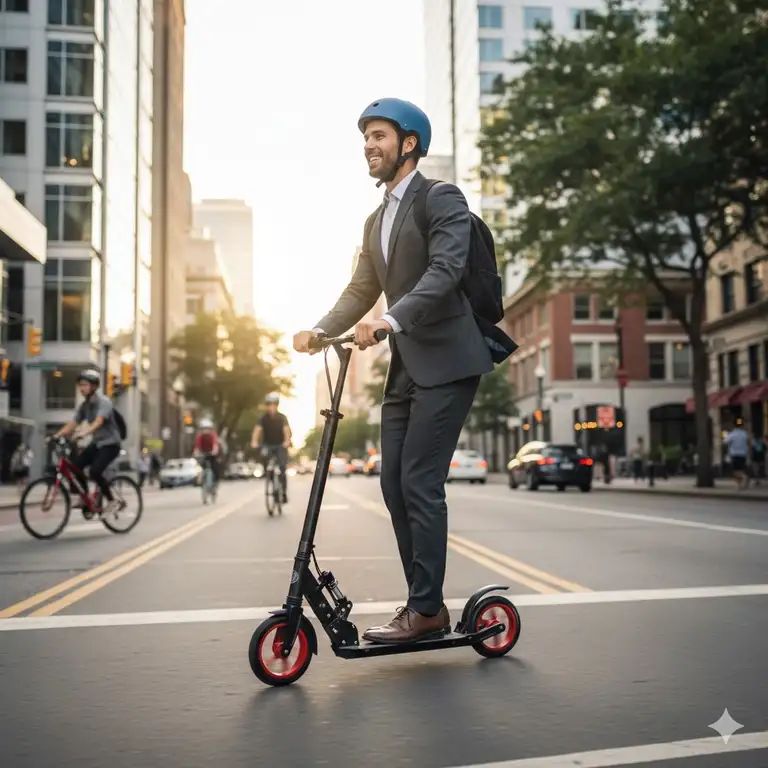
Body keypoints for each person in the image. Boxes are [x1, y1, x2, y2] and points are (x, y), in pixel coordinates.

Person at [293, 98, 497, 645]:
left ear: (409, 143)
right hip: (408, 365)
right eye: (365, 137)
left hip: (450, 359)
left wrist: (389, 319)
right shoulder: (375, 219)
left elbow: (448, 268)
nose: (368, 145)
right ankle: (422, 604)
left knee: (420, 482)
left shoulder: (440, 198)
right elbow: (361, 288)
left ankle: (426, 609)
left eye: (379, 135)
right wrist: (319, 329)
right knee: (392, 482)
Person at [53, 369, 122, 516]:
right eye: (80, 385)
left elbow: (98, 421)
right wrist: (56, 435)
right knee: (76, 466)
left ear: (94, 386)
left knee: (95, 471)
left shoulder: (104, 402)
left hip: (111, 445)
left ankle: (112, 500)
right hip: (97, 444)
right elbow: (73, 423)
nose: (81, 388)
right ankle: (85, 498)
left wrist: (85, 432)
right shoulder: (84, 406)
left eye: (85, 385)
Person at [251, 393, 291, 502]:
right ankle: (272, 480)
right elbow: (257, 430)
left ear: (277, 405)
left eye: (273, 404)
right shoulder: (263, 418)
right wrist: (254, 441)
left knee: (282, 468)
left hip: (280, 445)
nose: (271, 407)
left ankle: (283, 492)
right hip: (267, 444)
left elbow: (286, 430)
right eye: (269, 404)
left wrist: (287, 441)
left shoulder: (282, 418)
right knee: (267, 463)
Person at [193, 418, 221, 487]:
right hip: (203, 454)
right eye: (204, 429)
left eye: (207, 428)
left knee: (215, 467)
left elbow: (215, 445)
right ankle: (202, 479)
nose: (205, 430)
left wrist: (214, 451)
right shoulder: (200, 437)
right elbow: (197, 446)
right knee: (201, 466)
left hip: (212, 454)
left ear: (210, 429)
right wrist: (196, 452)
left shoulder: (213, 436)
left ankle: (216, 482)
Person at [726, 420, 750, 490]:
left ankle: (744, 478)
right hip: (743, 454)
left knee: (735, 471)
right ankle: (739, 485)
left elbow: (726, 442)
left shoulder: (732, 434)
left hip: (734, 454)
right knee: (740, 469)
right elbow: (749, 442)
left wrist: (724, 435)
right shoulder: (745, 434)